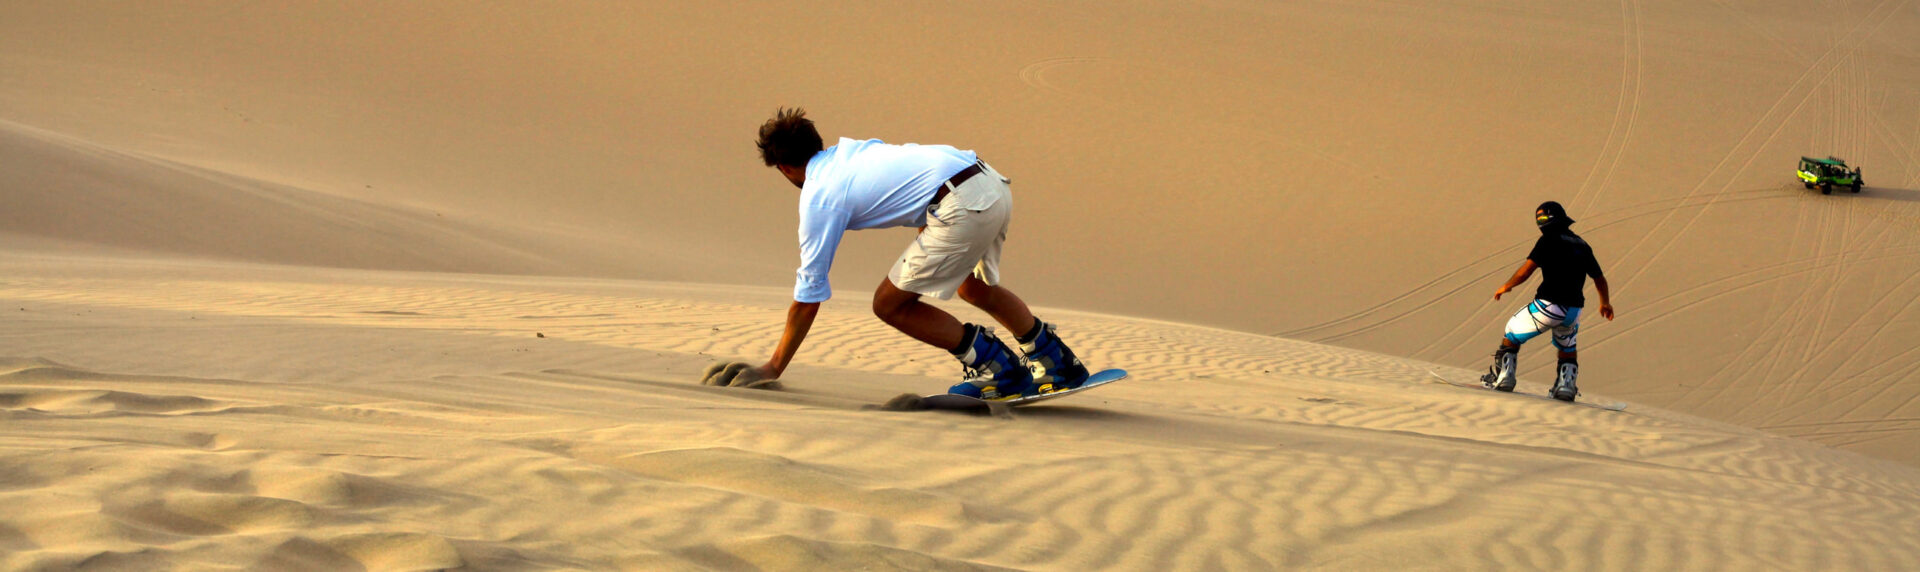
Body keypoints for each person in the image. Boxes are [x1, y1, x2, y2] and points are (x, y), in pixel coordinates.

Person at [740, 107, 1090, 400]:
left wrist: (774, 366)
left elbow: (808, 295)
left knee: (888, 304)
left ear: (784, 168)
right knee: (972, 287)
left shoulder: (819, 196)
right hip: (990, 183)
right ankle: (1056, 362)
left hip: (961, 204)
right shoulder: (852, 152)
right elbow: (917, 184)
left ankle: (998, 369)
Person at [1483, 201, 1615, 401]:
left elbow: (1526, 270)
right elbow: (1599, 278)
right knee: (1567, 346)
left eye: (1544, 218)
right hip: (1573, 310)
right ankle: (1566, 387)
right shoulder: (1582, 244)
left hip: (1548, 306)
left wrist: (1507, 285)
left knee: (1511, 332)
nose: (1541, 222)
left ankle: (1504, 378)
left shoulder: (1548, 240)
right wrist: (1605, 302)